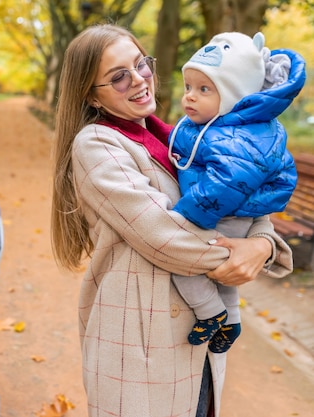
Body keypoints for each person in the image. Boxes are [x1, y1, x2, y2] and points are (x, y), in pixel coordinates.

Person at [50, 23, 294, 417]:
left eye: (140, 64)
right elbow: (166, 237)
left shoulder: (182, 136)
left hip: (195, 349)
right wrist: (242, 254)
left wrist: (262, 245)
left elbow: (247, 202)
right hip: (139, 345)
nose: (139, 80)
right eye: (118, 77)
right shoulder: (97, 146)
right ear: (91, 97)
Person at [167, 32, 306, 354]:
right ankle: (230, 319)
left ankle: (210, 312)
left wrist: (185, 217)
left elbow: (229, 181)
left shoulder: (240, 136)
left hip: (226, 209)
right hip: (227, 206)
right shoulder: (216, 124)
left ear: (234, 95)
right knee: (225, 272)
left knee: (183, 263)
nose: (190, 97)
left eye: (204, 89)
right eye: (188, 87)